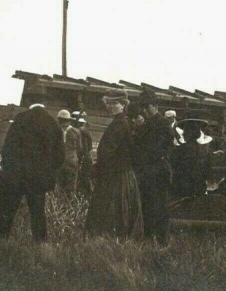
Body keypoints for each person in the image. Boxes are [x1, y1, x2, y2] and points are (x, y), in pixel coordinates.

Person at [0, 103, 64, 242]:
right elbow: (60, 157)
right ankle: (40, 244)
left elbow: (7, 148)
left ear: (30, 107)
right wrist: (48, 172)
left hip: (16, 175)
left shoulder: (20, 120)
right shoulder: (52, 124)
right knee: (38, 213)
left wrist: (9, 169)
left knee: (7, 210)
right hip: (38, 178)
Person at [84, 89, 143, 238]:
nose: (110, 106)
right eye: (108, 103)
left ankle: (111, 240)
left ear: (123, 104)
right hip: (120, 173)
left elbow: (108, 152)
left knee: (112, 212)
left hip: (116, 175)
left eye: (114, 103)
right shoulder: (122, 122)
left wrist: (98, 169)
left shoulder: (120, 124)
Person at [132, 90, 174, 242]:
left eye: (147, 106)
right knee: (147, 207)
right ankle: (150, 238)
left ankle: (162, 240)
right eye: (142, 107)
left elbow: (156, 150)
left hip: (158, 172)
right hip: (148, 173)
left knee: (159, 208)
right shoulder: (146, 125)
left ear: (155, 106)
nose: (144, 110)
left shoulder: (162, 124)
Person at [172, 119, 212, 198]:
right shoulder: (205, 150)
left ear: (187, 134)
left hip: (183, 189)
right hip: (200, 188)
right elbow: (208, 171)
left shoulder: (180, 150)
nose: (183, 134)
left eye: (184, 132)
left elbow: (175, 169)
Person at [57, 109, 82, 193]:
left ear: (59, 119)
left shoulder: (56, 130)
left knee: (58, 185)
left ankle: (57, 204)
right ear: (69, 120)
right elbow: (80, 148)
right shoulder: (76, 132)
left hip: (59, 161)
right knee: (71, 186)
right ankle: (69, 204)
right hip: (72, 161)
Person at [74, 111, 94, 195]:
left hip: (82, 156)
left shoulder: (78, 131)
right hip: (86, 156)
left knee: (81, 177)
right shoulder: (86, 131)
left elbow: (81, 147)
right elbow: (90, 146)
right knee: (85, 178)